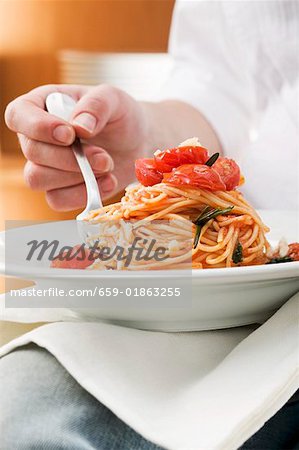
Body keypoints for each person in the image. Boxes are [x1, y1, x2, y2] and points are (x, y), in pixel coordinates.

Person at [1, 1, 298, 449]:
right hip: (234, 285)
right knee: (22, 407)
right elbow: (220, 85)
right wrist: (144, 135)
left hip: (251, 280)